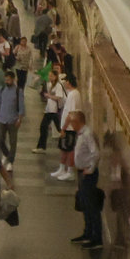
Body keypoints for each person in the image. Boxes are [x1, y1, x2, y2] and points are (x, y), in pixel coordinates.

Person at [69, 110, 103, 249]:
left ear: (78, 122)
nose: (70, 124)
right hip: (82, 173)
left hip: (88, 174)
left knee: (91, 206)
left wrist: (91, 169)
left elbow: (96, 153)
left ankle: (97, 238)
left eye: (72, 121)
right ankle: (87, 233)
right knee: (85, 204)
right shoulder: (81, 134)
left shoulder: (87, 134)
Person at [0, 69, 26, 170]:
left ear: (13, 79)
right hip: (2, 118)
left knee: (13, 141)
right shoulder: (1, 89)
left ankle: (11, 161)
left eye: (9, 80)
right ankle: (7, 154)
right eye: (6, 80)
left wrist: (20, 119)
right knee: (0, 139)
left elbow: (21, 106)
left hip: (13, 120)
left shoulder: (18, 91)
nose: (7, 82)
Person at [52, 73, 81, 180]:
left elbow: (71, 113)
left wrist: (64, 128)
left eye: (66, 81)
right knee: (63, 148)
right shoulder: (72, 93)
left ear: (69, 82)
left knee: (69, 149)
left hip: (70, 128)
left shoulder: (74, 94)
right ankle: (62, 168)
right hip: (67, 127)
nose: (65, 83)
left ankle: (70, 171)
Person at [33, 68, 65, 152]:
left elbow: (59, 97)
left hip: (53, 110)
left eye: (51, 76)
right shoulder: (50, 85)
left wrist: (49, 96)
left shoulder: (58, 85)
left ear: (55, 76)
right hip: (49, 110)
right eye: (49, 75)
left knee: (50, 127)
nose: (49, 77)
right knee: (44, 127)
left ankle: (66, 140)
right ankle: (41, 147)